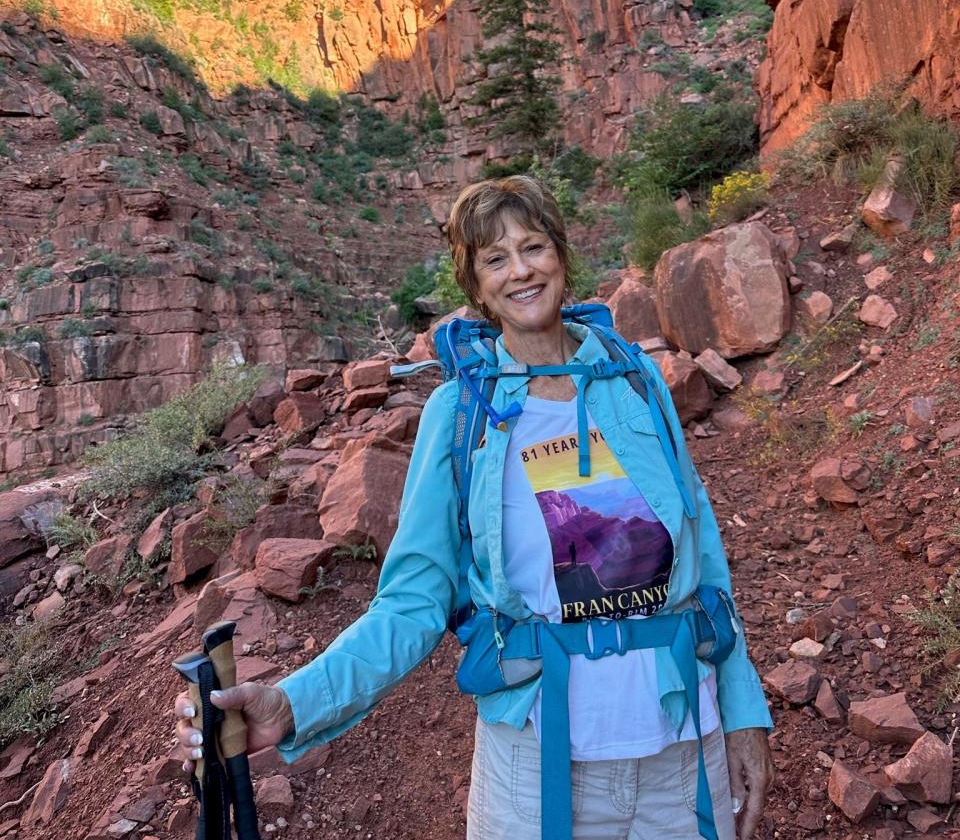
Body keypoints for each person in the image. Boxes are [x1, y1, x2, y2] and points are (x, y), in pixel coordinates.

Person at [174, 176, 774, 839]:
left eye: (533, 246)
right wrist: (294, 702)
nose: (521, 270)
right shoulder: (461, 415)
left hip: (684, 748)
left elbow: (707, 566)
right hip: (535, 765)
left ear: (561, 255)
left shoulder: (636, 381)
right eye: (495, 258)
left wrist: (745, 712)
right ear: (476, 284)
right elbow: (412, 601)